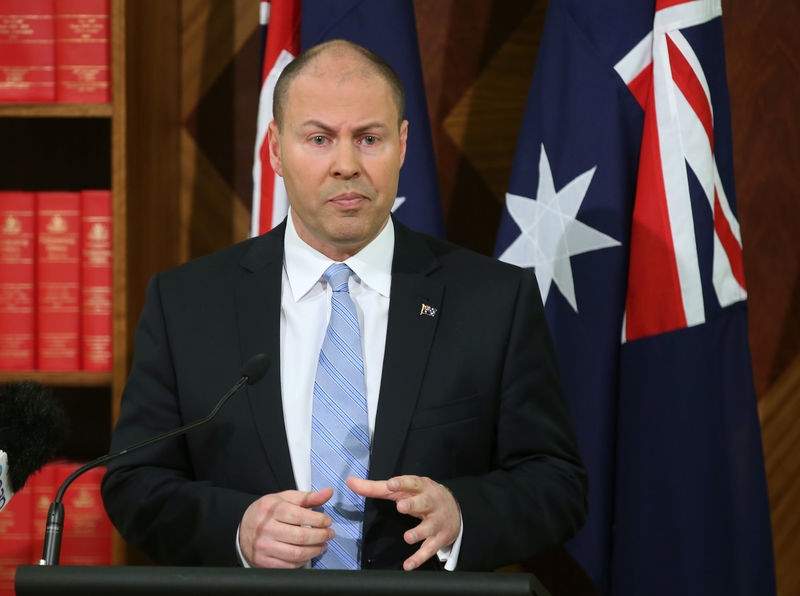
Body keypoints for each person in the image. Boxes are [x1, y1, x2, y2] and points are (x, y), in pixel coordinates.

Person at [101, 39, 587, 572]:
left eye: (369, 138)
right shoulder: (187, 305)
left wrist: (461, 516)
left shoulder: (494, 301)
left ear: (402, 145)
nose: (346, 165)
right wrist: (236, 529)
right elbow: (134, 483)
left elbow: (555, 483)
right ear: (275, 151)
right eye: (318, 138)